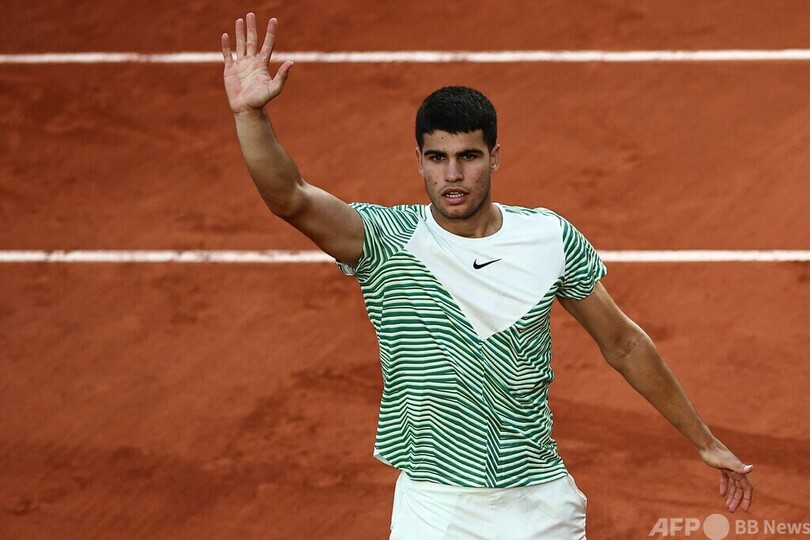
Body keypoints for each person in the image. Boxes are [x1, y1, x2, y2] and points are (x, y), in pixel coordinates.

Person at [221, 13, 754, 539]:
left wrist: (704, 441)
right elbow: (290, 197)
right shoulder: (384, 239)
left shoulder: (548, 236)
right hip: (436, 510)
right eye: (437, 158)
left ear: (494, 158)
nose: (452, 175)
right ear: (419, 161)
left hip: (539, 505)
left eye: (468, 156)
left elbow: (624, 343)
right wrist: (250, 116)